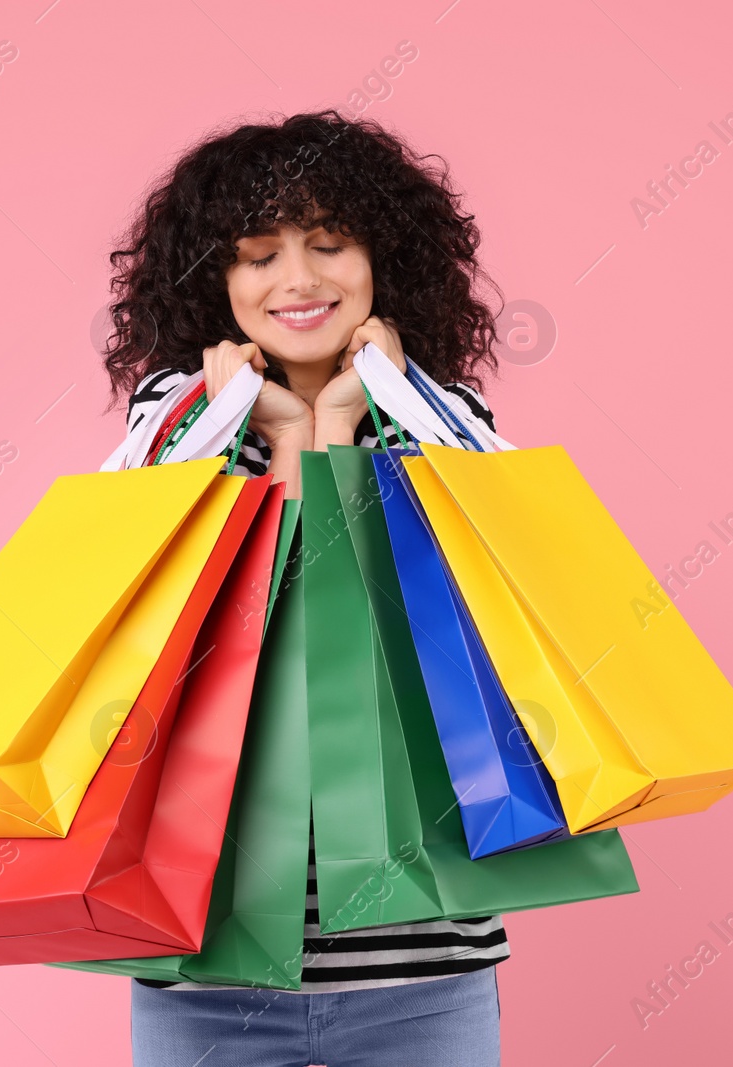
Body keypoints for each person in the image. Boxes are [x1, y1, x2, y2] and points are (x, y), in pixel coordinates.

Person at [101, 110, 507, 1067]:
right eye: (257, 255)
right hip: (206, 957)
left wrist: (350, 423)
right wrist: (279, 434)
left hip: (425, 964)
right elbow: (164, 616)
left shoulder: (447, 419)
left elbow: (463, 609)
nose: (298, 280)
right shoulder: (178, 423)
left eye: (329, 243)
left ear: (382, 260)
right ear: (217, 281)